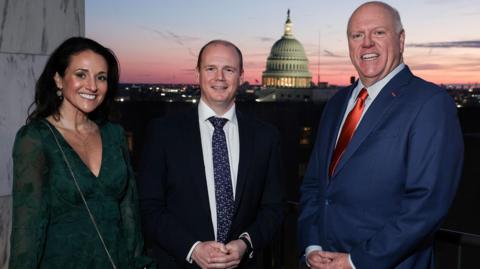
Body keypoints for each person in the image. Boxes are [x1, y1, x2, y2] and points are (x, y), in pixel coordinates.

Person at [297, 2, 463, 269]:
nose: (366, 44)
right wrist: (312, 245)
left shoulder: (430, 103)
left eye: (379, 33)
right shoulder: (336, 104)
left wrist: (355, 261)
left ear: (401, 39)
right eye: (357, 35)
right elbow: (315, 185)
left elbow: (425, 204)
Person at [138, 40, 284, 268]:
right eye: (211, 69)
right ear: (198, 74)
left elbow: (274, 208)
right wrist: (192, 249)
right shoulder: (163, 133)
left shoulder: (266, 137)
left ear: (241, 75)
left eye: (229, 69)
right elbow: (149, 206)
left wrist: (245, 243)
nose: (219, 77)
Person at [9, 37, 154, 268]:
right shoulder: (35, 138)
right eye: (81, 74)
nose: (92, 86)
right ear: (58, 79)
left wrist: (138, 263)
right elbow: (27, 228)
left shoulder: (114, 134)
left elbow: (130, 215)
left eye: (101, 77)